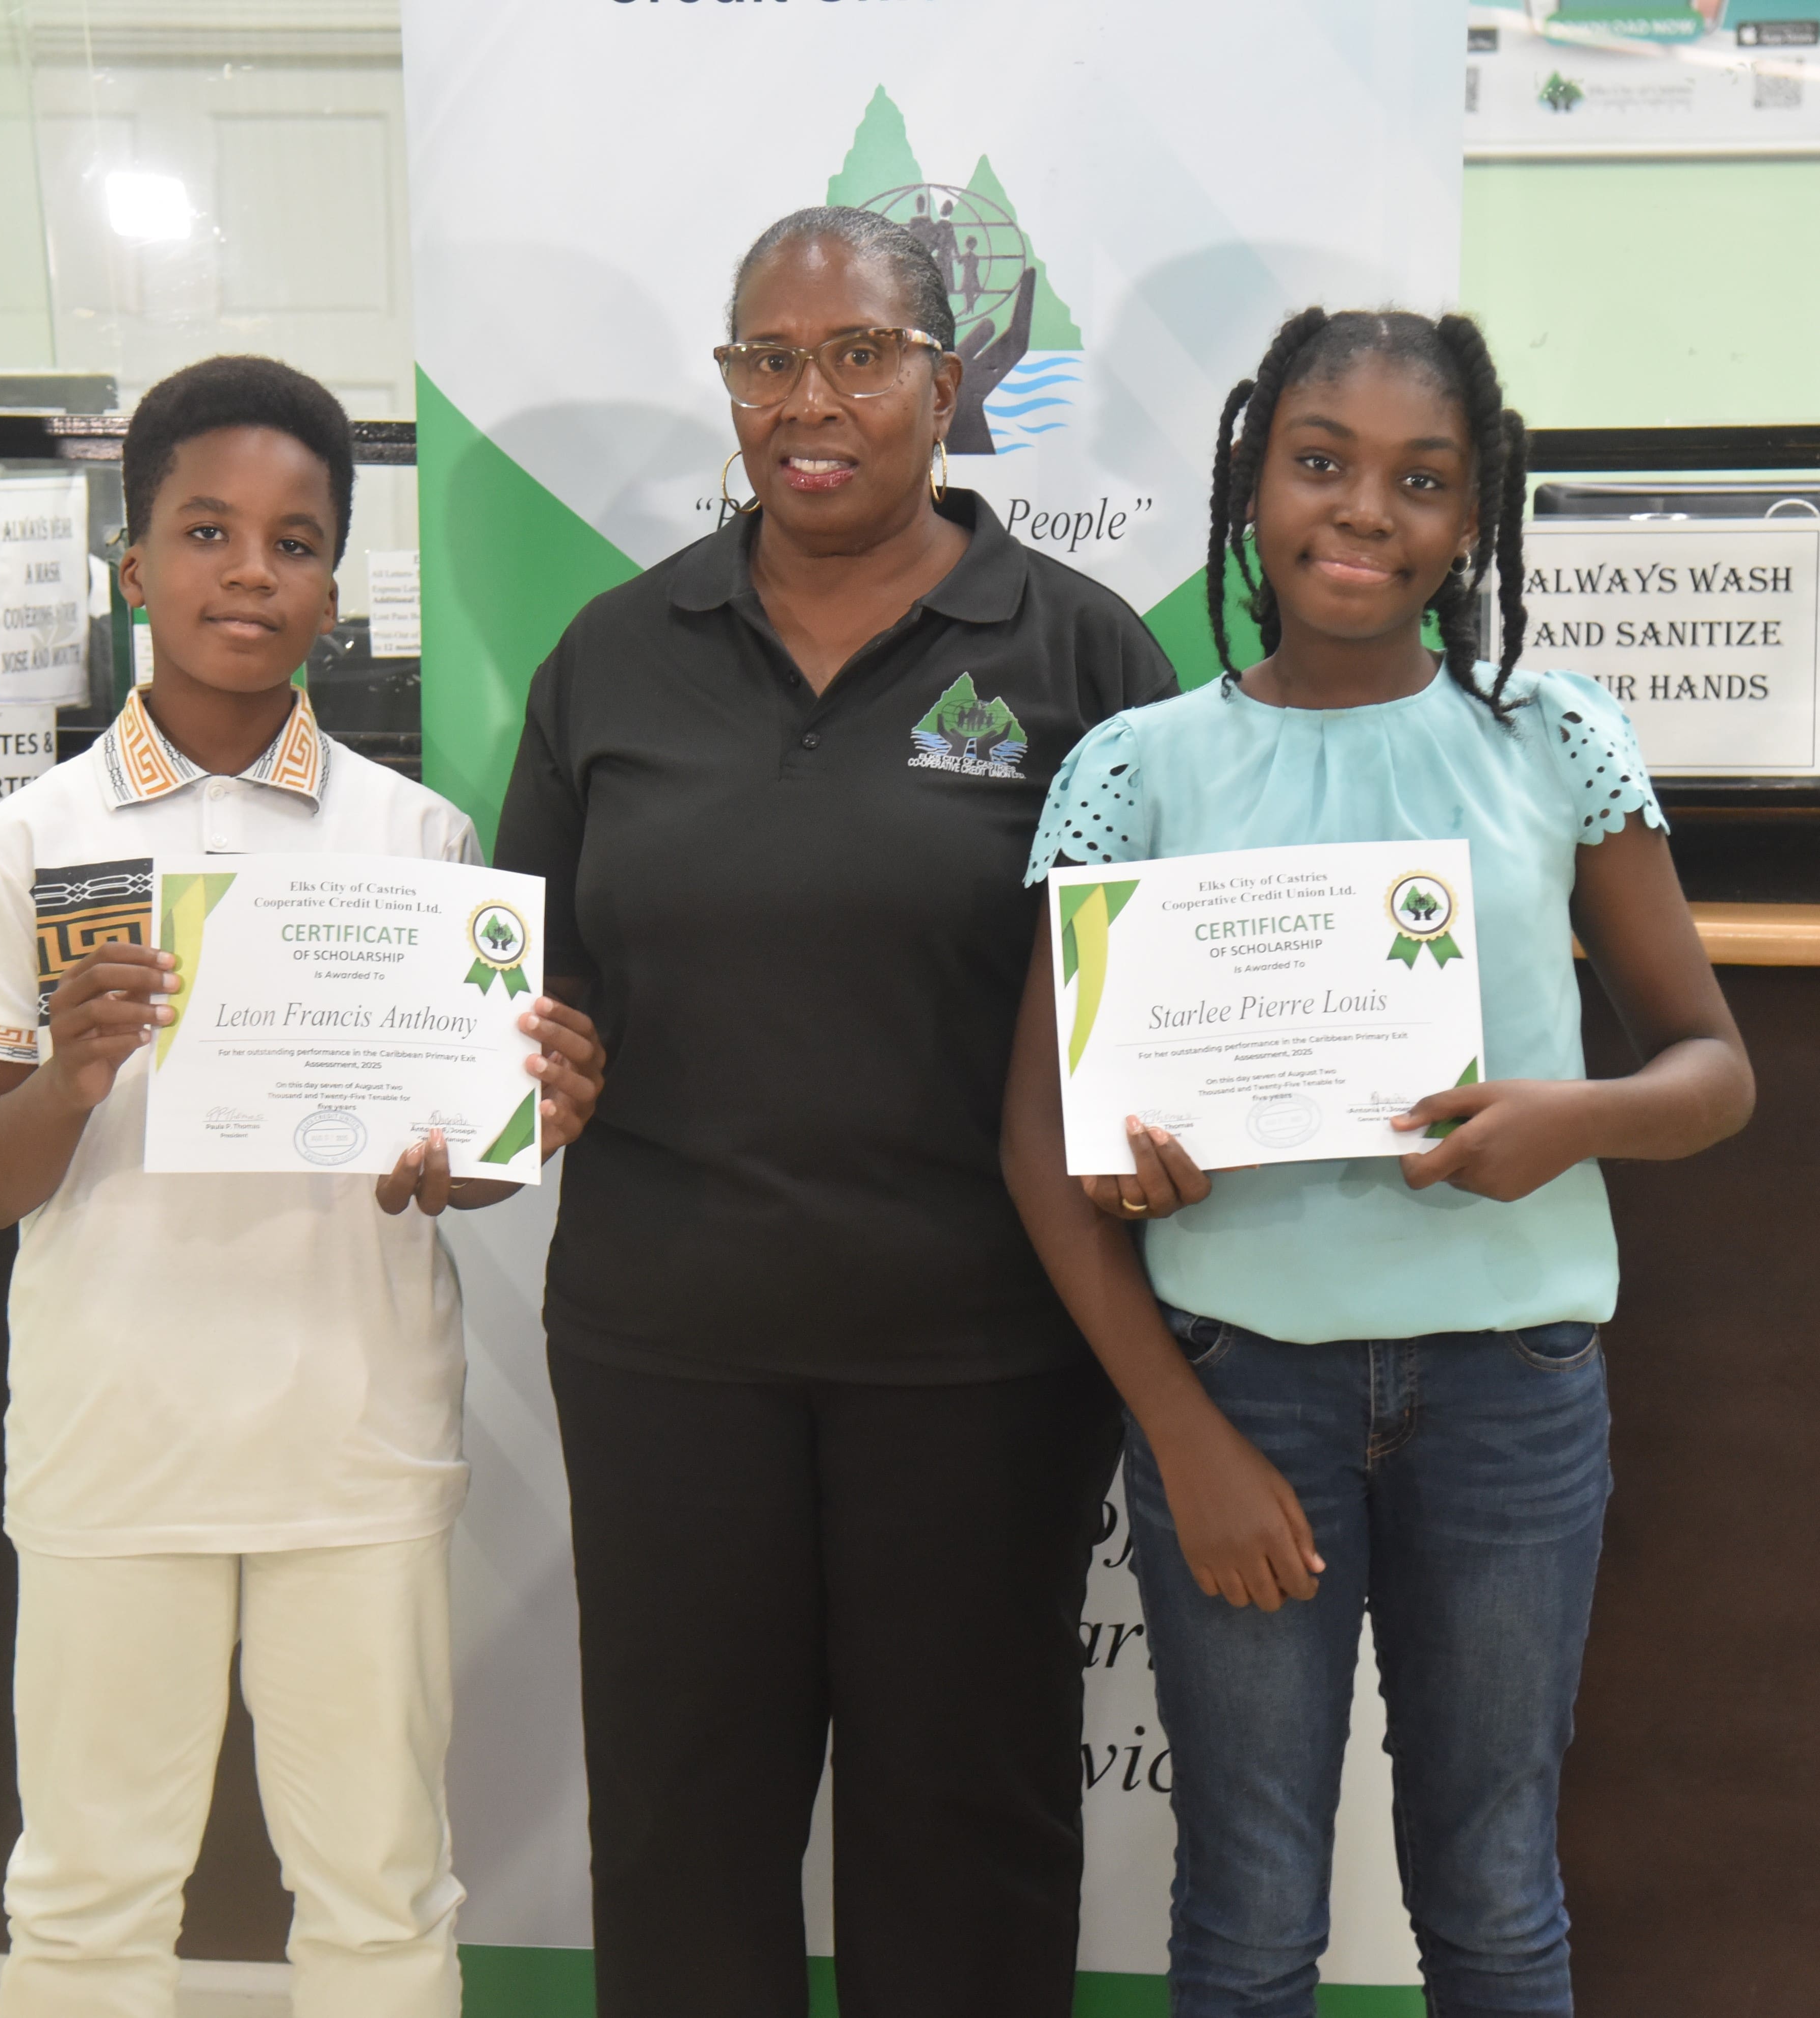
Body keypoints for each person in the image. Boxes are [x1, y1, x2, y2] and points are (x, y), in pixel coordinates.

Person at [1001, 309, 1754, 2018]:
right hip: (1237, 1388)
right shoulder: (1139, 768)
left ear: (1473, 518)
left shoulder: (1548, 737)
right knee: (1251, 1907)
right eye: (1319, 463)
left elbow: (1713, 1074)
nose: (1363, 511)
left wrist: (1572, 1119)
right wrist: (1178, 1427)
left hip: (1512, 1391)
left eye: (1420, 481)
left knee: (1492, 1895)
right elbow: (1044, 1145)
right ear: (1249, 483)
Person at [492, 206, 1177, 2018]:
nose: (810, 400)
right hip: (667, 1352)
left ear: (944, 384)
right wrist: (522, 1078)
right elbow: (526, 989)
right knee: (680, 1822)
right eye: (767, 359)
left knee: (966, 1829)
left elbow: (1154, 1009)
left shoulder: (1079, 657)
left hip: (981, 1363)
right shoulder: (612, 655)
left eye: (859, 355)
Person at [0, 355, 605, 2018]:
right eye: (206, 531)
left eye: (295, 543)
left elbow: (465, 1179)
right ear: (132, 564)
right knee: (87, 1898)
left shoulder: (419, 845)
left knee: (380, 1894)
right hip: (114, 1446)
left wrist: (514, 1131)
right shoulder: (31, 843)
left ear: (335, 588)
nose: (250, 572)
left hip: (352, 1445)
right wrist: (72, 1079)